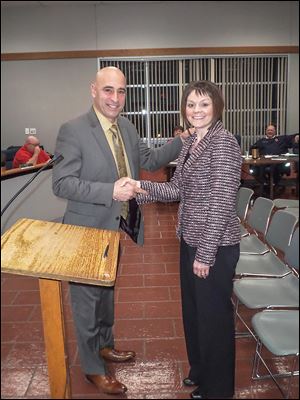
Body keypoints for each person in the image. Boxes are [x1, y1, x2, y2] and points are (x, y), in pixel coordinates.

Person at [52, 66, 189, 395]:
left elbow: (152, 159)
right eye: (108, 90)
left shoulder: (126, 127)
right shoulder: (72, 130)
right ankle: (93, 367)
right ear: (94, 91)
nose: (115, 98)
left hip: (115, 229)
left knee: (106, 296)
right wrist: (109, 191)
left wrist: (180, 141)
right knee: (85, 302)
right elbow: (61, 183)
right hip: (85, 232)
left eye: (121, 91)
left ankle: (105, 345)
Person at [128, 80, 242, 399]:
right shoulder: (192, 142)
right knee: (193, 314)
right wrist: (138, 189)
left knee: (214, 320)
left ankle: (218, 389)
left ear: (216, 107)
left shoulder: (223, 143)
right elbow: (177, 189)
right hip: (189, 238)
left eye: (204, 104)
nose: (196, 110)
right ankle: (201, 370)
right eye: (191, 104)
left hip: (214, 247)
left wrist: (205, 255)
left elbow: (220, 203)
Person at [249, 124, 298, 189]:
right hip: (263, 163)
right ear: (266, 131)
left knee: (274, 167)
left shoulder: (282, 139)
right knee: (255, 167)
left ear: (275, 131)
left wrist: (297, 136)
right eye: (268, 130)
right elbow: (252, 150)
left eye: (271, 130)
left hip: (278, 163)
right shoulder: (260, 141)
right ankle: (266, 184)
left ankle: (272, 184)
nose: (270, 131)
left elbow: (293, 137)